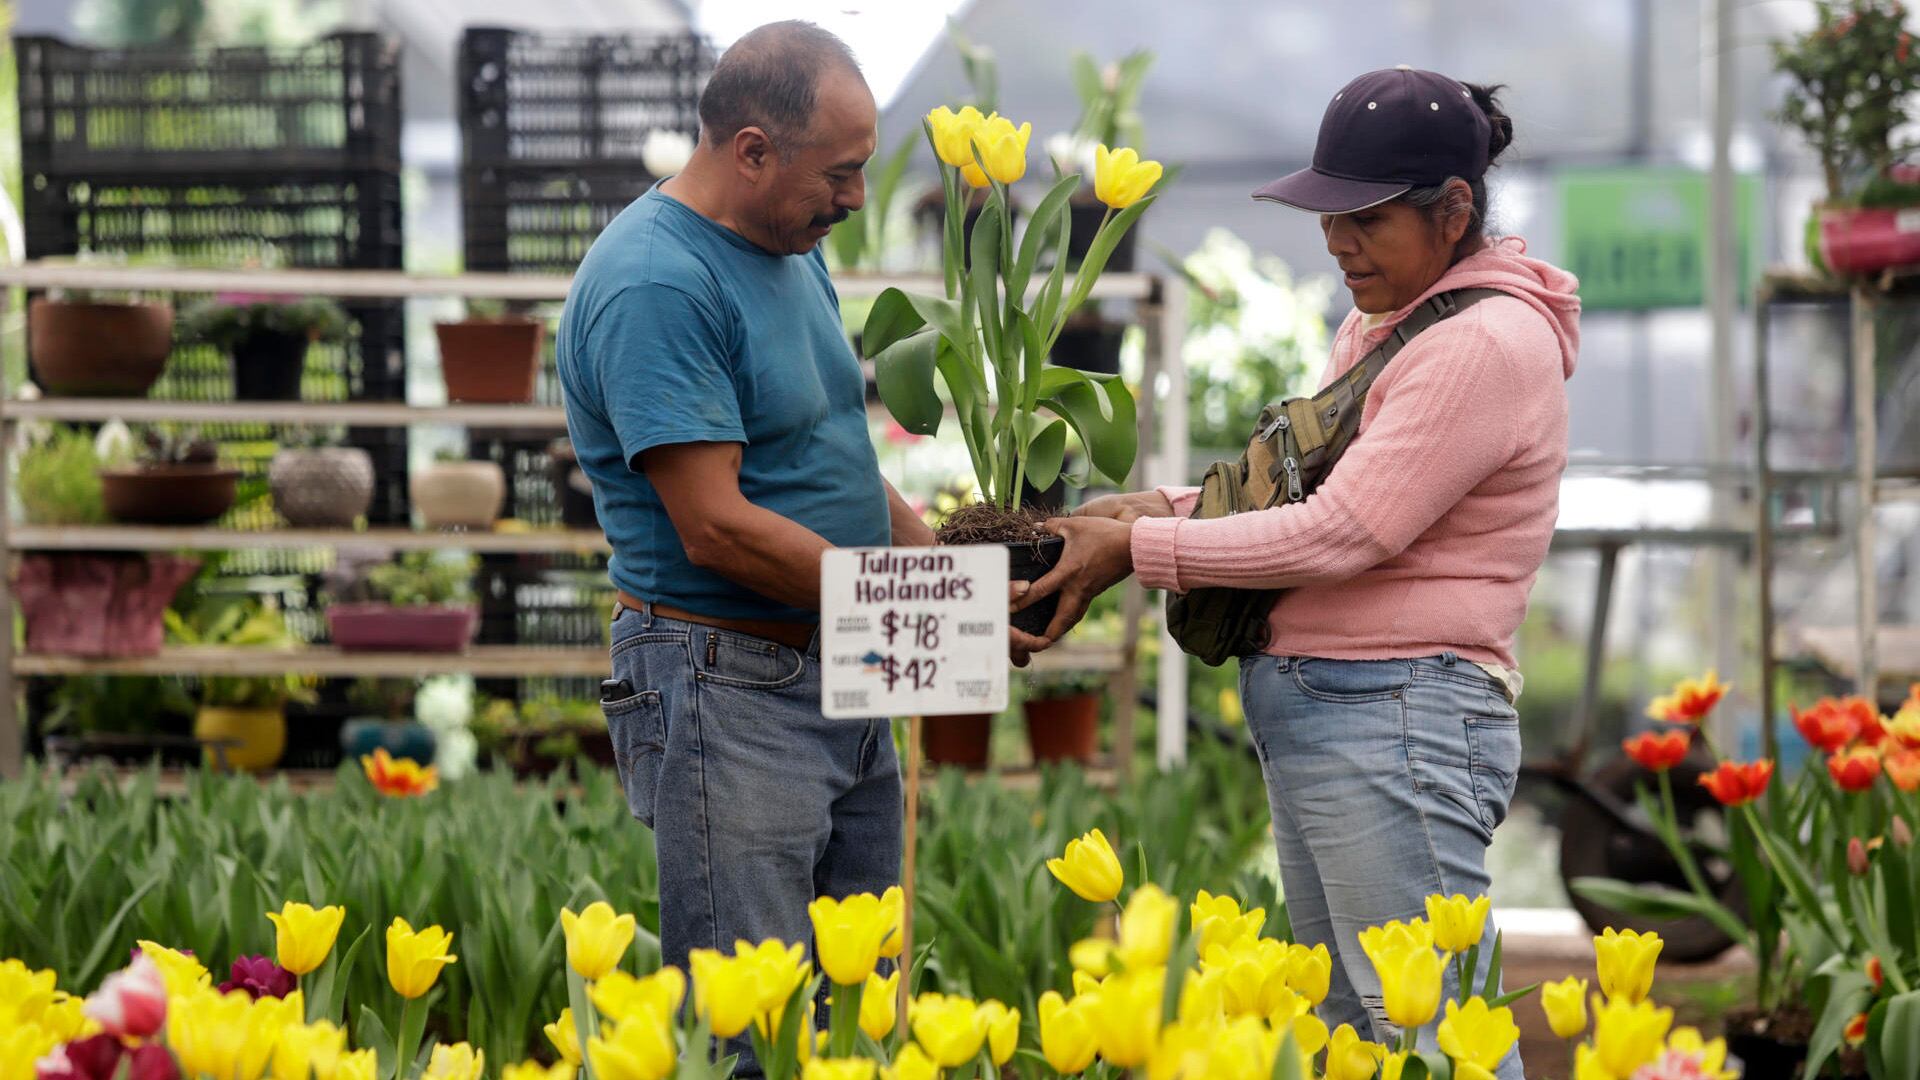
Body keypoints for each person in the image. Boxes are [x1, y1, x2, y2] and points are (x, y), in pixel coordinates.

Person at [1021, 68, 1579, 1076]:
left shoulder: (1483, 343)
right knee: (1361, 1036)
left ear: (1453, 211)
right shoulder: (1386, 328)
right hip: (1348, 711)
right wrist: (1161, 508)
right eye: (1329, 215)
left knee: (1433, 1037)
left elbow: (1345, 532)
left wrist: (1140, 550)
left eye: (1365, 217)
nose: (1337, 241)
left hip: (1397, 710)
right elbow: (1315, 499)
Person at [555, 20, 1044, 1073]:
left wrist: (946, 582)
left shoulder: (789, 244)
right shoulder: (657, 283)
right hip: (728, 683)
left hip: (845, 665)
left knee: (866, 1014)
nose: (858, 198)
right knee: (752, 1028)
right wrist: (915, 605)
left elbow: (830, 458)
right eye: (844, 172)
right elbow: (715, 525)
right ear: (750, 150)